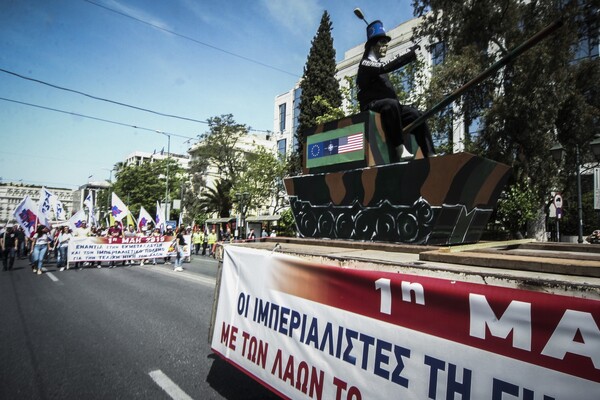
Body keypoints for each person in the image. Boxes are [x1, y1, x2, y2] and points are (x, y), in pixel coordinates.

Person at [356, 20, 435, 162]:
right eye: (382, 42)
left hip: (389, 109)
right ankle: (400, 148)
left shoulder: (377, 66)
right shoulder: (366, 63)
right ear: (373, 45)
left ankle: (430, 154)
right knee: (391, 104)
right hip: (372, 106)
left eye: (386, 42)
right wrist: (408, 53)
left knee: (416, 114)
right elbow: (385, 66)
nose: (385, 46)